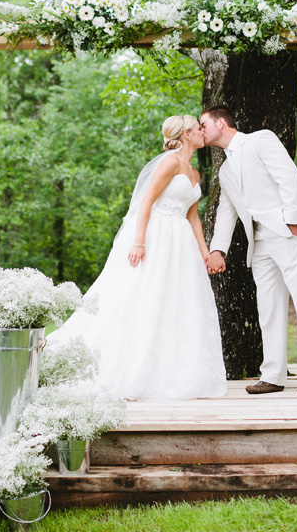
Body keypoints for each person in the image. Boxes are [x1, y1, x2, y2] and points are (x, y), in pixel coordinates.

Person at [48, 115, 227, 400]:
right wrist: (139, 242)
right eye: (197, 128)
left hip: (180, 243)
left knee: (175, 302)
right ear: (185, 135)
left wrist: (205, 254)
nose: (202, 132)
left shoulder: (194, 172)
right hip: (157, 236)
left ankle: (170, 372)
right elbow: (146, 202)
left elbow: (193, 216)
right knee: (144, 295)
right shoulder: (169, 163)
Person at [201, 106, 297, 397]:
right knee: (268, 308)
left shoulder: (260, 139)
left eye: (203, 124)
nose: (201, 131)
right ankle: (273, 375)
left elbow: (288, 176)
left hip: (287, 231)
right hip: (259, 243)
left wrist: (293, 220)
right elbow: (227, 211)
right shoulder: (224, 170)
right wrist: (218, 250)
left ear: (221, 122)